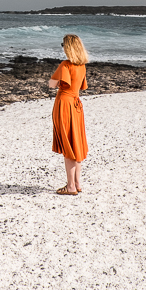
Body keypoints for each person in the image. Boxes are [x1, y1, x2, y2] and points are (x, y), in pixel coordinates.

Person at [48, 34, 89, 195]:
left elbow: (52, 84)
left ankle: (71, 186)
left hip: (64, 104)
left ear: (69, 48)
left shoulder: (65, 65)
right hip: (76, 105)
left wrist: (58, 80)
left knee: (68, 146)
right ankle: (77, 183)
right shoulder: (82, 66)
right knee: (76, 143)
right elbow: (81, 86)